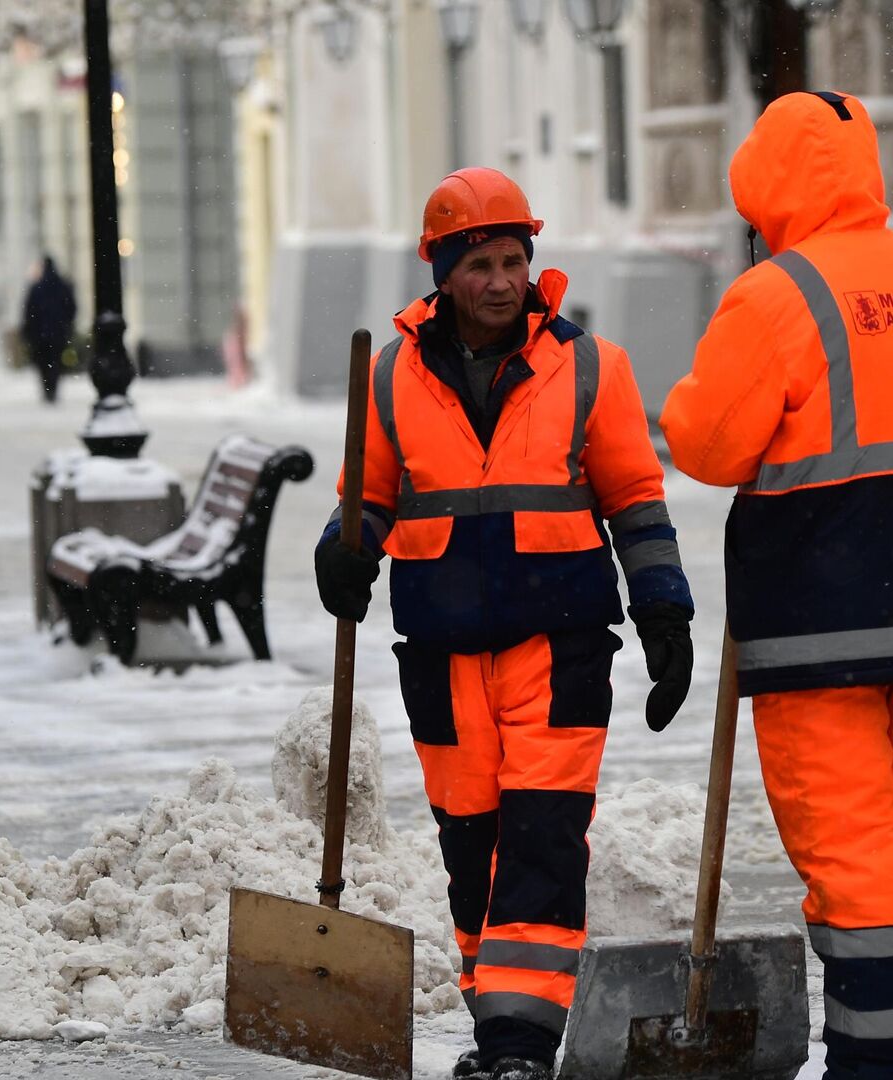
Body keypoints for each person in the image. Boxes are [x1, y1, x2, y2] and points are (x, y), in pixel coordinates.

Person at [313, 168, 694, 1080]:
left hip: (559, 645)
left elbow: (636, 500)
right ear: (443, 272)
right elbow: (363, 496)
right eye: (479, 262)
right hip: (441, 653)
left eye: (514, 260)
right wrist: (343, 548)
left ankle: (521, 1044)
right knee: (471, 841)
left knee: (544, 836)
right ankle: (499, 1021)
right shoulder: (392, 375)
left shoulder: (590, 366)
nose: (499, 280)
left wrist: (664, 610)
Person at [661, 91, 893, 1080]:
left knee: (850, 854)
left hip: (818, 625)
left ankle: (879, 1065)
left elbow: (709, 442)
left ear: (764, 184)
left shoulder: (778, 295)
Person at [20, 255, 77, 404]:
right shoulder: (63, 286)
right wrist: (66, 324)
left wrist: (29, 330)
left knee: (43, 363)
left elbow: (29, 312)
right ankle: (53, 387)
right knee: (55, 361)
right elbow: (71, 308)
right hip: (58, 333)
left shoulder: (37, 288)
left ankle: (47, 388)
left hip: (41, 335)